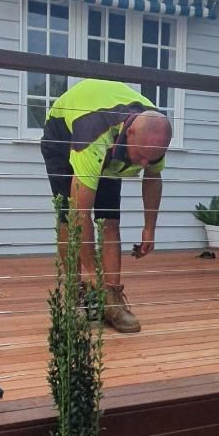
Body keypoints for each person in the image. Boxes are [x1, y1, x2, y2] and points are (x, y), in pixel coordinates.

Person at [41, 78, 173, 334]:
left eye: (152, 158)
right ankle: (75, 295)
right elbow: (81, 215)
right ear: (130, 132)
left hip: (111, 140)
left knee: (110, 219)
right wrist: (93, 274)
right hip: (64, 133)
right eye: (142, 156)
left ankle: (112, 300)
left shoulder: (154, 136)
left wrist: (149, 229)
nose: (145, 163)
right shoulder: (93, 134)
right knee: (70, 215)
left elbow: (153, 177)